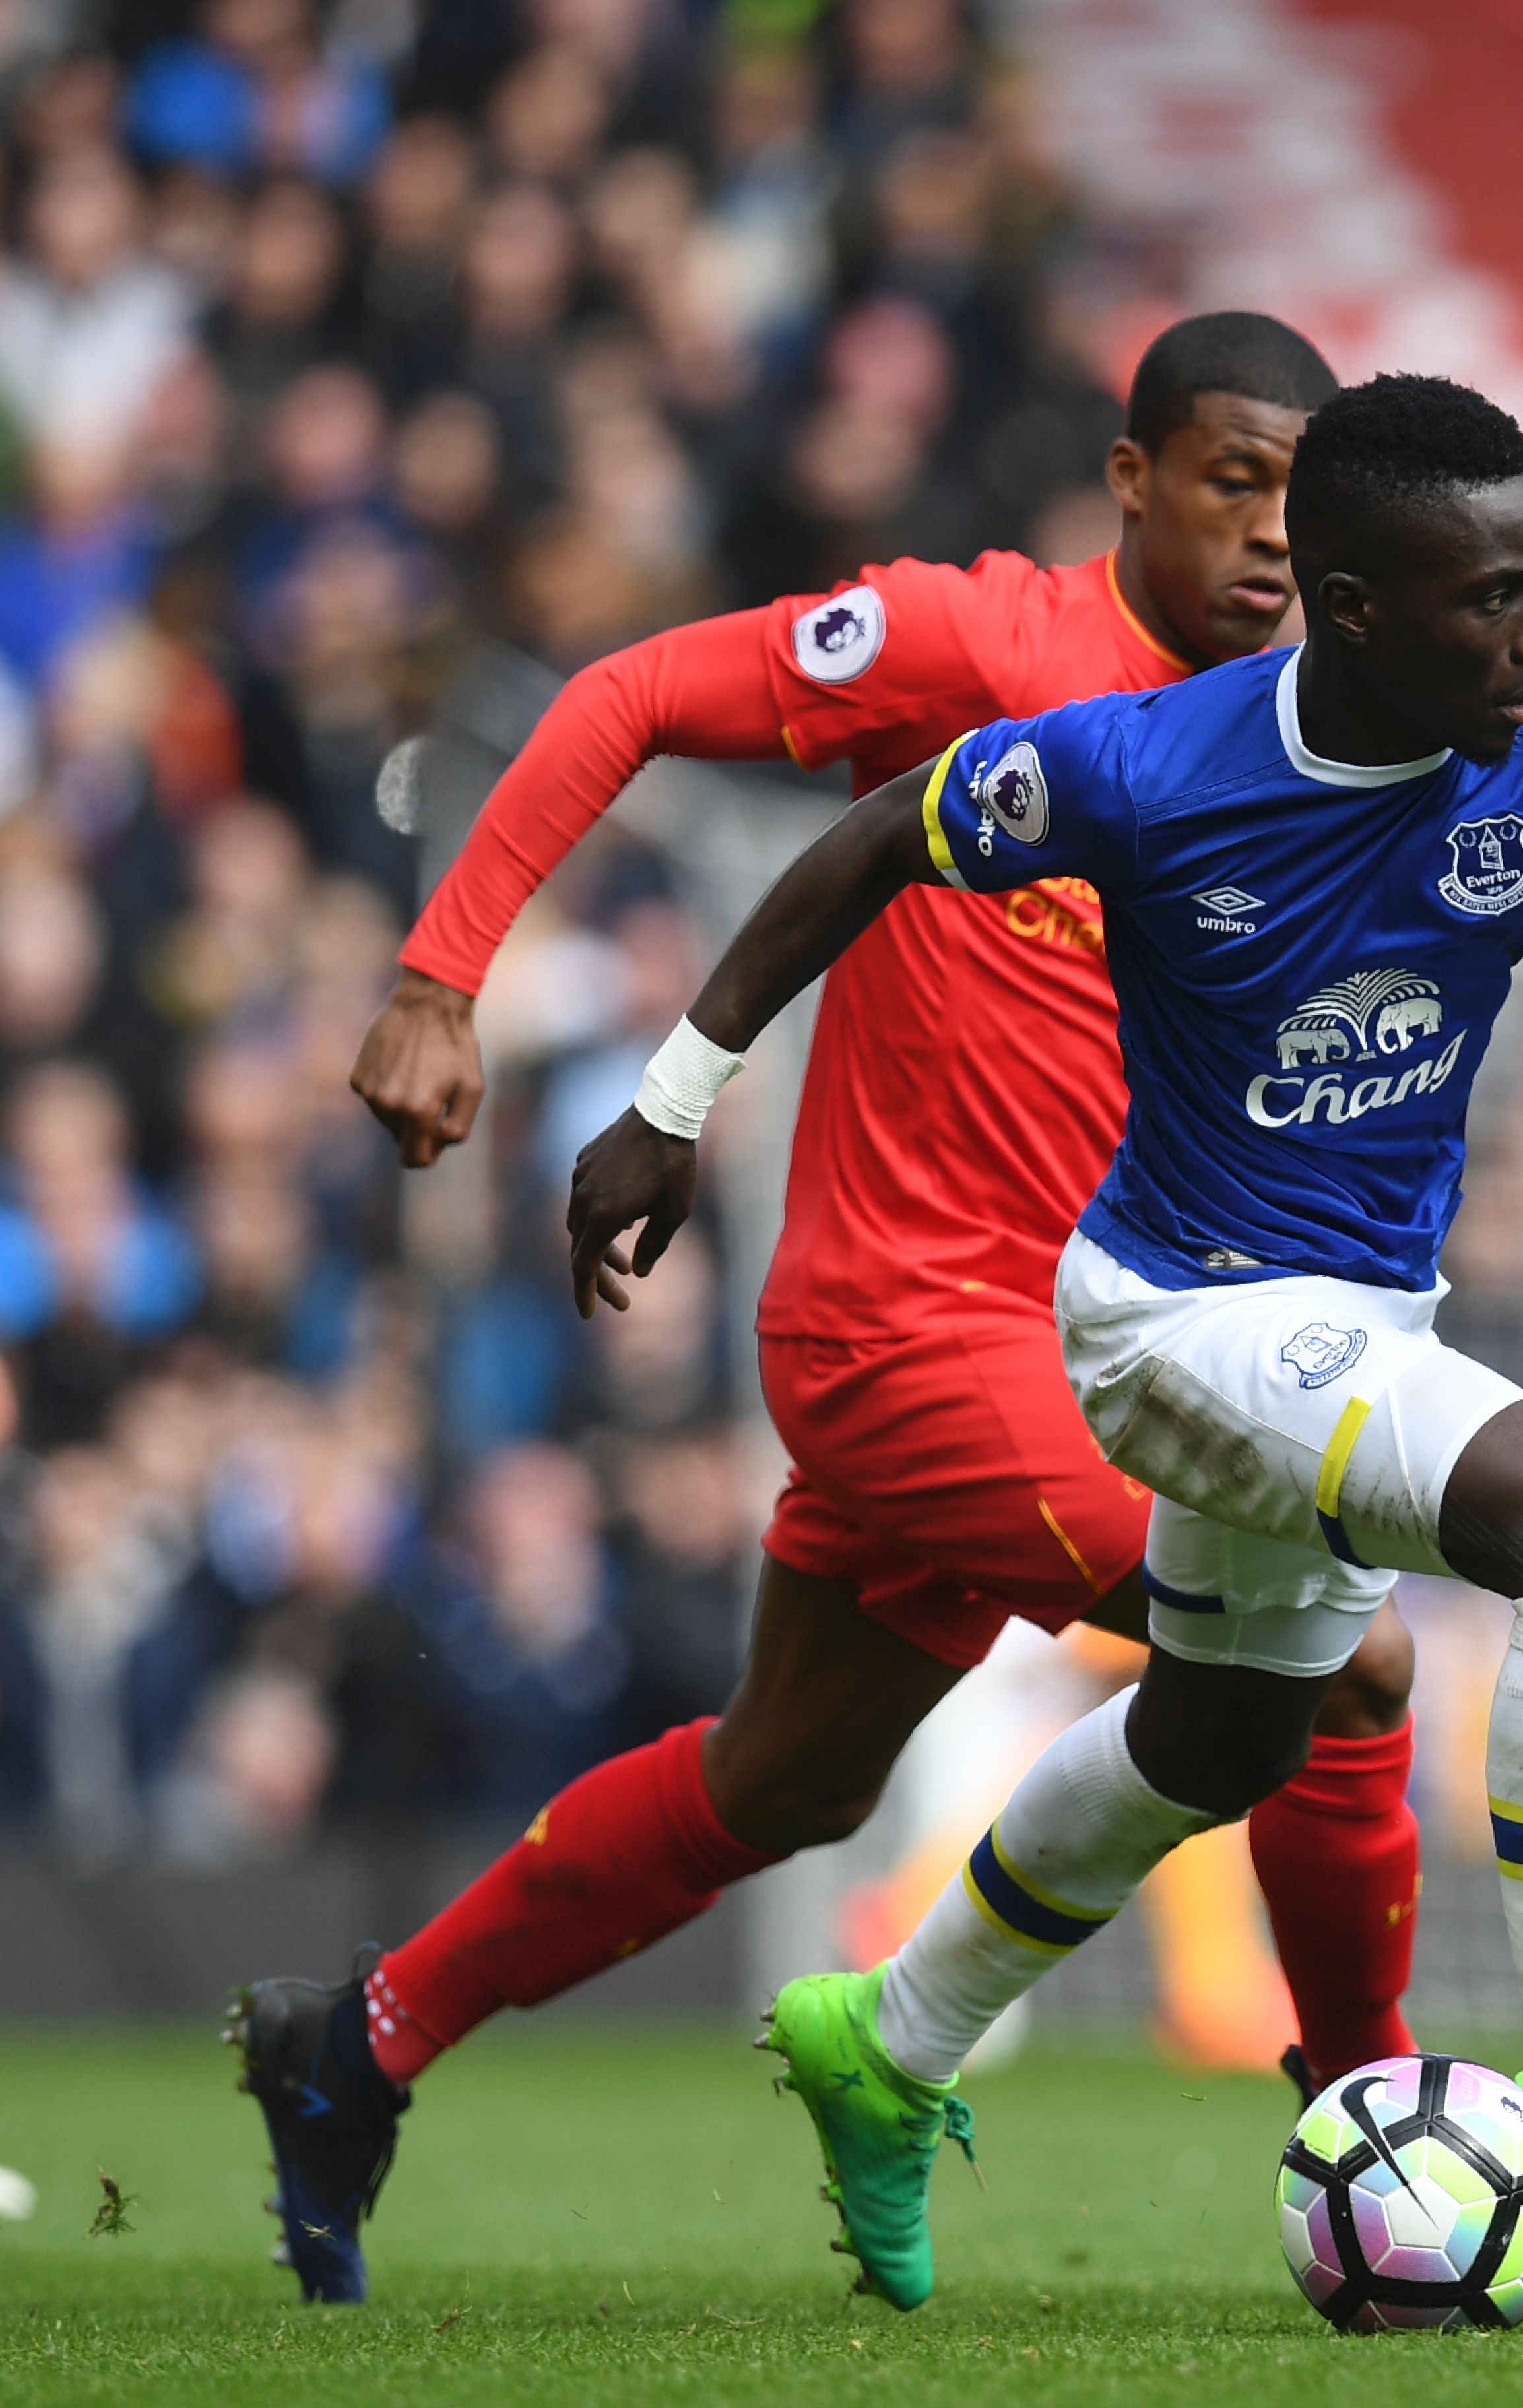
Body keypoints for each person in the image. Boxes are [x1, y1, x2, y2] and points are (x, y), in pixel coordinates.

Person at [563, 371, 1523, 2309]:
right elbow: (867, 854)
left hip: (1359, 1316)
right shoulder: (1147, 766)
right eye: (1486, 600)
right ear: (1347, 609)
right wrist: (673, 1100)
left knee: (1219, 1729)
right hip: (1171, 1322)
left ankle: (886, 2040)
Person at [232, 313, 1433, 2308]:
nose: (1273, 540)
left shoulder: (1305, 740)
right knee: (1346, 1657)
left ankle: (356, 2038)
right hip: (909, 1342)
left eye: (1306, 509)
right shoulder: (979, 648)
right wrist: (445, 977)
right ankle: (1376, 2117)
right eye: (1236, 484)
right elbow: (629, 692)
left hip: (1091, 1364)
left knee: (784, 1780)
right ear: (1132, 480)